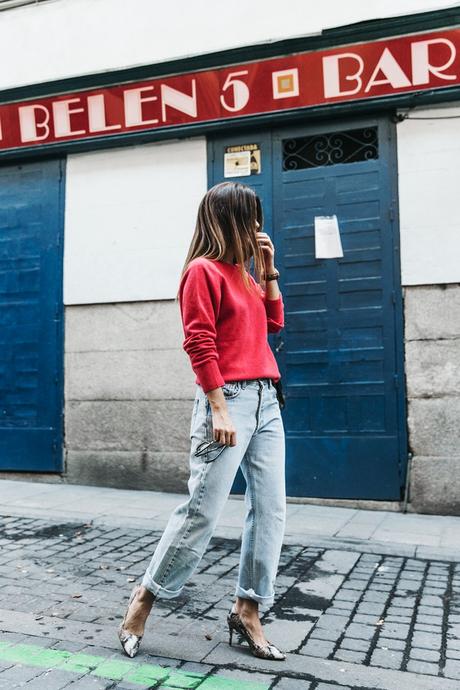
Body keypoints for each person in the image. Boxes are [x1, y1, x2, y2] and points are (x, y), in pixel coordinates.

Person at [118, 181, 287, 661]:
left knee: (271, 511)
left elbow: (272, 325)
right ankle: (144, 598)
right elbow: (198, 341)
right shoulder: (202, 271)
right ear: (228, 220)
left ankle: (248, 609)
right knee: (202, 512)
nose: (257, 227)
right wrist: (218, 408)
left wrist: (269, 272)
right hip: (227, 398)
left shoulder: (246, 275)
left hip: (266, 400)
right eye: (250, 218)